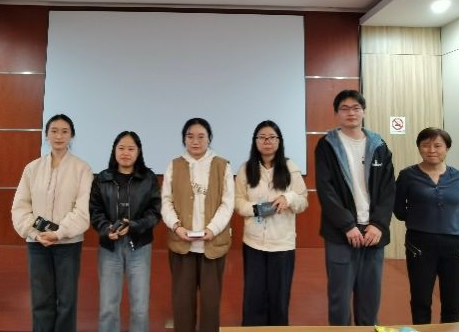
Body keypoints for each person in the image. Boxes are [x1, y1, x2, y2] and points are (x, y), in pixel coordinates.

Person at [315, 90, 396, 326]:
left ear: (363, 111)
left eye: (356, 108)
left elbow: (388, 189)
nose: (351, 113)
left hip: (373, 233)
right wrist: (347, 225)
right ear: (336, 113)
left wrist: (378, 224)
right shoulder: (327, 145)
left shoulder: (379, 145)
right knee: (339, 299)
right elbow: (326, 190)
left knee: (370, 298)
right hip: (341, 233)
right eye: (344, 108)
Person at [11, 114, 93, 332]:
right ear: (46, 135)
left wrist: (59, 233)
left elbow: (82, 210)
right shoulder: (32, 168)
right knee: (41, 300)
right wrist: (35, 233)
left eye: (65, 131)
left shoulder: (82, 169)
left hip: (68, 244)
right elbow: (20, 207)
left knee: (67, 301)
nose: (59, 136)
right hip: (37, 244)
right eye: (54, 131)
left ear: (72, 136)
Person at [161, 117, 235, 332]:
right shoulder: (174, 165)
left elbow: (227, 203)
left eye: (201, 136)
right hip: (182, 244)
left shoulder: (222, 165)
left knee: (211, 303)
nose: (195, 141)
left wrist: (213, 229)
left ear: (209, 139)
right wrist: (176, 226)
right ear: (184, 139)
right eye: (190, 136)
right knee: (182, 302)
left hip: (213, 245)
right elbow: (166, 201)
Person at [394, 127, 459, 324]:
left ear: (447, 149)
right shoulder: (407, 175)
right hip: (419, 246)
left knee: (452, 304)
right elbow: (399, 210)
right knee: (420, 301)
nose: (431, 150)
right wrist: (421, 220)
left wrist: (449, 224)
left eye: (438, 145)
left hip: (455, 247)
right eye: (425, 145)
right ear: (419, 148)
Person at [235, 120, 308, 326]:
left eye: (272, 137)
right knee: (254, 296)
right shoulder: (246, 169)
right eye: (262, 137)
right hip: (254, 243)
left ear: (279, 141)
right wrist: (256, 209)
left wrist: (289, 198)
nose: (267, 141)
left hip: (282, 244)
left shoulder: (290, 167)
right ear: (255, 141)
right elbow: (238, 202)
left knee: (279, 297)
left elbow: (303, 201)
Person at [89, 131, 161, 332]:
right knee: (108, 307)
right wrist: (106, 229)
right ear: (114, 151)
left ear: (138, 152)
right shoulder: (102, 178)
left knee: (140, 308)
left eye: (131, 148)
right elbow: (95, 210)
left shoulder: (148, 178)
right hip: (109, 247)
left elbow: (155, 212)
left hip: (139, 246)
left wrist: (135, 226)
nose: (125, 153)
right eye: (121, 148)